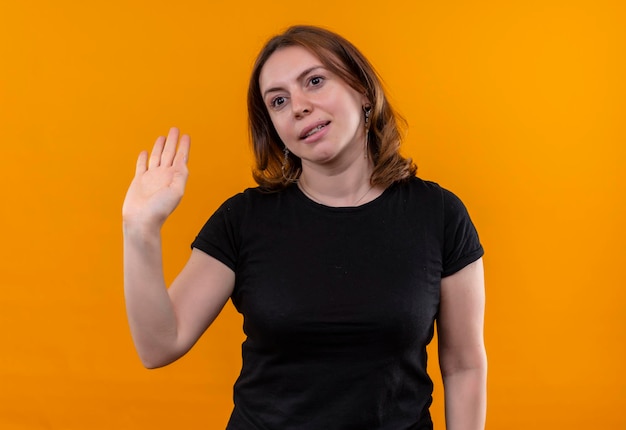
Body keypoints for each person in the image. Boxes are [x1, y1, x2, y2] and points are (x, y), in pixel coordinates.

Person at [123, 25, 487, 430]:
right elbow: (159, 345)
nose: (298, 106)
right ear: (275, 128)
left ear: (363, 90)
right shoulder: (242, 220)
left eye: (314, 81)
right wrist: (140, 231)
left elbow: (464, 366)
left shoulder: (439, 214)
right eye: (278, 101)